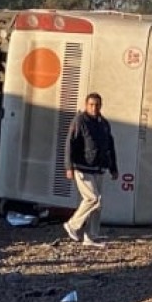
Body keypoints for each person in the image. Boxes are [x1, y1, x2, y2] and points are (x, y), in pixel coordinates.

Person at [62, 93, 118, 248]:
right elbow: (70, 143)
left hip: (99, 168)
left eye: (97, 105)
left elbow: (110, 147)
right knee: (92, 198)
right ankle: (72, 225)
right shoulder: (80, 120)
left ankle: (91, 236)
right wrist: (69, 166)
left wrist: (113, 167)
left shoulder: (104, 123)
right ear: (86, 105)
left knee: (97, 204)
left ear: (101, 105)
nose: (94, 108)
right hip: (82, 167)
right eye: (91, 104)